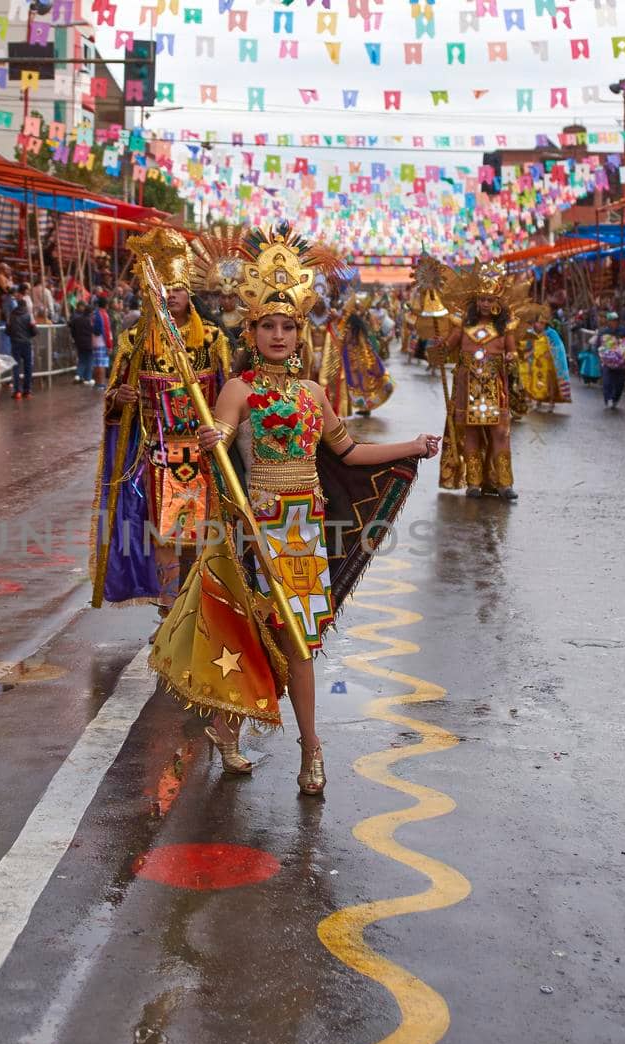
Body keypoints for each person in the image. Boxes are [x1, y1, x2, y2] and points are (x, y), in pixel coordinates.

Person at [151, 224, 438, 791]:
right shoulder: (237, 387)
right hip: (253, 532)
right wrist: (213, 440)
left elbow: (349, 451)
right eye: (267, 326)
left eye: (287, 325)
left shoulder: (311, 393)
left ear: (299, 331)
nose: (278, 335)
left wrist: (412, 446)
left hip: (303, 537)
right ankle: (229, 733)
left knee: (301, 644)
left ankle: (312, 748)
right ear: (250, 329)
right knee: (249, 636)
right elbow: (223, 438)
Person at [92, 227, 231, 611]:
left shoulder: (212, 339)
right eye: (164, 288)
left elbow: (228, 395)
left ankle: (198, 609)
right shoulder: (135, 340)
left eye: (178, 288)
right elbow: (112, 403)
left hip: (203, 454)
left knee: (203, 533)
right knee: (165, 535)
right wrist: (120, 399)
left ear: (190, 293)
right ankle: (171, 611)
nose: (172, 296)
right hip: (156, 455)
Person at [430, 261, 520, 499]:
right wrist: (439, 345)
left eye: (490, 300)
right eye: (482, 299)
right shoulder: (463, 325)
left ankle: (503, 483)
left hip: (495, 386)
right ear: (476, 301)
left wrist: (511, 359)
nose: (485, 304)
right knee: (470, 433)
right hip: (467, 386)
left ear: (498, 303)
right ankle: (474, 482)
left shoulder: (505, 328)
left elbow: (512, 352)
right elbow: (447, 348)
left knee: (500, 432)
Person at [6, 289, 38, 399]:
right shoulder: (29, 316)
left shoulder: (12, 315)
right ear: (25, 306)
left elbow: (7, 330)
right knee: (28, 367)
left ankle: (17, 391)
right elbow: (34, 332)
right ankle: (27, 391)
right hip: (26, 344)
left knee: (16, 367)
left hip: (15, 344)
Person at [68, 301, 96, 385]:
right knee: (89, 360)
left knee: (81, 360)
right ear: (90, 313)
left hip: (79, 343)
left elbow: (71, 328)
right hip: (88, 343)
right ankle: (88, 378)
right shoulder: (90, 321)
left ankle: (78, 375)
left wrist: (75, 338)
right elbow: (93, 331)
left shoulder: (77, 320)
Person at [89, 296, 113, 386]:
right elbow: (106, 331)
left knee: (96, 363)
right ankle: (101, 383)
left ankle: (97, 382)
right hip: (102, 342)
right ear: (106, 305)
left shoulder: (94, 313)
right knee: (101, 364)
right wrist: (109, 345)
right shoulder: (104, 314)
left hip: (94, 341)